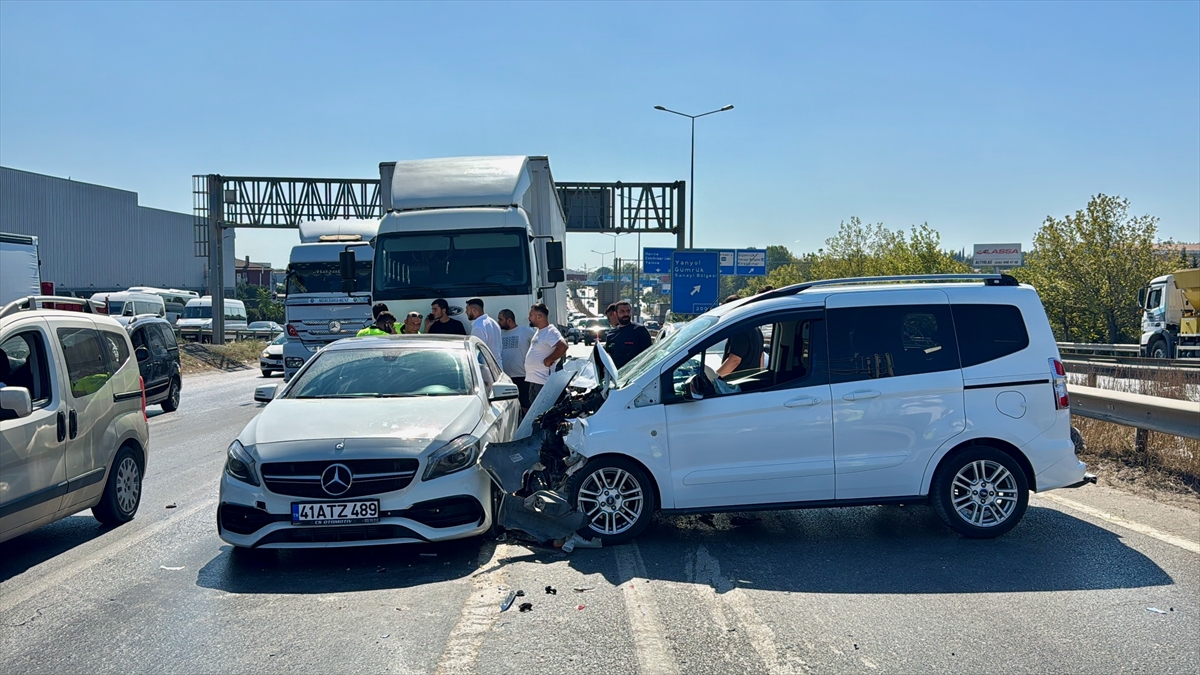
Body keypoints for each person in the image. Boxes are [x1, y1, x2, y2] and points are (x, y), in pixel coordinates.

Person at [524, 303, 567, 403]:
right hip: (534, 380)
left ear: (539, 317)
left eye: (531, 315)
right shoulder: (540, 331)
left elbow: (563, 346)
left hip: (543, 381)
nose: (528, 318)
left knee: (542, 411)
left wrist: (550, 359)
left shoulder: (550, 331)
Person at [498, 308, 535, 412]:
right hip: (505, 378)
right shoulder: (499, 334)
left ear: (509, 320)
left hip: (523, 376)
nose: (498, 322)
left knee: (525, 406)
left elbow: (539, 347)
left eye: (500, 319)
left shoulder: (526, 332)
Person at [603, 300, 652, 368]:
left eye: (628, 311)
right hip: (618, 376)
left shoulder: (640, 330)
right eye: (622, 312)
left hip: (636, 375)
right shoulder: (611, 334)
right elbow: (608, 357)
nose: (626, 314)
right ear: (615, 314)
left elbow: (649, 355)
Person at [465, 298, 503, 370]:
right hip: (498, 367)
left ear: (474, 310)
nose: (466, 312)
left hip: (487, 370)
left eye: (467, 309)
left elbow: (478, 352)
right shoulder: (493, 322)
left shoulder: (478, 327)